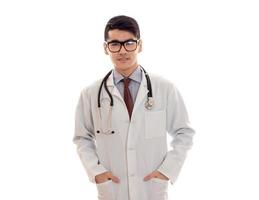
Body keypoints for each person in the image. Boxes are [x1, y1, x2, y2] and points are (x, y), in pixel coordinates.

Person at [73, 15, 195, 200]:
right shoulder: (90, 93)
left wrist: (167, 170)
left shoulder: (165, 88)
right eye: (114, 44)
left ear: (140, 45)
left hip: (151, 188)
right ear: (106, 48)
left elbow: (184, 132)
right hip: (113, 188)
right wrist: (96, 172)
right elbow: (82, 138)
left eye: (129, 43)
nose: (122, 51)